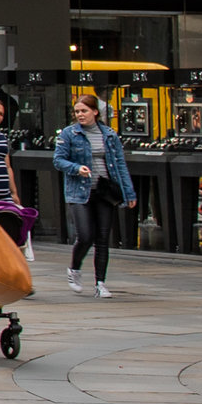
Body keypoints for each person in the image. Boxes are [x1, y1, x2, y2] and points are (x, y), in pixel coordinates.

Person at [53, 93, 133, 299]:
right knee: (85, 235)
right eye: (77, 111)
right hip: (79, 192)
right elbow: (58, 160)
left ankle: (100, 283)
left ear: (95, 112)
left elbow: (120, 165)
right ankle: (74, 269)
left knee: (103, 239)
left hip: (104, 191)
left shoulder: (109, 134)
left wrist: (128, 193)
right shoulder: (69, 134)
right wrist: (76, 167)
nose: (80, 115)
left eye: (84, 111)